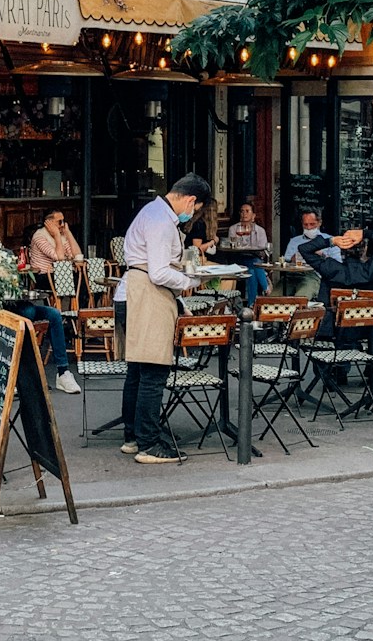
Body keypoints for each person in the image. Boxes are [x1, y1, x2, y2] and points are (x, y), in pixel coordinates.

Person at [116, 173, 211, 465]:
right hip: (147, 293)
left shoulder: (153, 212)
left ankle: (133, 436)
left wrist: (178, 299)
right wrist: (190, 281)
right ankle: (149, 443)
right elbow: (158, 272)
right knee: (154, 371)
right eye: (195, 209)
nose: (192, 214)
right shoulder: (161, 221)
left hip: (133, 291)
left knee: (138, 371)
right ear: (191, 200)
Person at [0, 214, 79, 393]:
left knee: (53, 314)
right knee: (28, 312)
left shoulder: (5, 255)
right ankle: (24, 372)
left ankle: (63, 372)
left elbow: (17, 284)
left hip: (13, 304)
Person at [224, 201, 271, 304]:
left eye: (247, 211)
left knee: (251, 271)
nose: (244, 214)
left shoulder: (260, 230)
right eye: (241, 211)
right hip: (238, 258)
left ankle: (251, 304)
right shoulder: (234, 229)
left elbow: (263, 249)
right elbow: (233, 246)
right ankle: (265, 287)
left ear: (253, 215)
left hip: (255, 258)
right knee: (255, 264)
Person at [28, 208, 85, 287]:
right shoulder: (39, 236)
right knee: (80, 283)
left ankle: (85, 299)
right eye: (59, 222)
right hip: (45, 275)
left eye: (63, 221)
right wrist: (57, 235)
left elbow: (78, 256)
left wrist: (68, 233)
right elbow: (59, 258)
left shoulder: (62, 234)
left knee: (89, 280)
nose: (62, 225)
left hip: (62, 273)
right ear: (49, 223)